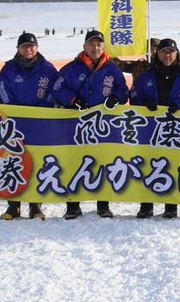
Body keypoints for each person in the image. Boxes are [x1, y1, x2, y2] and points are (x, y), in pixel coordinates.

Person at [52, 30, 129, 219]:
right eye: (92, 44)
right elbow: (57, 89)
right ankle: (72, 205)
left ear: (103, 47)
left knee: (103, 162)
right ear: (85, 47)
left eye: (99, 45)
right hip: (76, 124)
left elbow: (123, 90)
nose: (96, 48)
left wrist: (116, 98)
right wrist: (73, 100)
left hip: (103, 124)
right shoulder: (71, 68)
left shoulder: (112, 68)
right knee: (73, 162)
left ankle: (103, 204)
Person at [128, 37, 180, 219]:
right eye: (163, 51)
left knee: (173, 164)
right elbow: (134, 93)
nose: (167, 55)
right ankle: (146, 204)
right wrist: (144, 101)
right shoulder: (146, 74)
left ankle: (171, 205)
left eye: (171, 51)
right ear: (157, 53)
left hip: (174, 128)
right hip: (150, 129)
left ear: (176, 54)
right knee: (148, 164)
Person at [0, 32, 59, 220]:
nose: (28, 50)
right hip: (16, 123)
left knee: (37, 163)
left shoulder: (48, 69)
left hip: (40, 123)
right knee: (14, 162)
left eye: (31, 46)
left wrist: (40, 111)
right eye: (24, 46)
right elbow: (2, 91)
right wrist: (16, 112)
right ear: (18, 49)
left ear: (37, 48)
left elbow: (54, 91)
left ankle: (35, 205)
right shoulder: (9, 69)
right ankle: (13, 205)